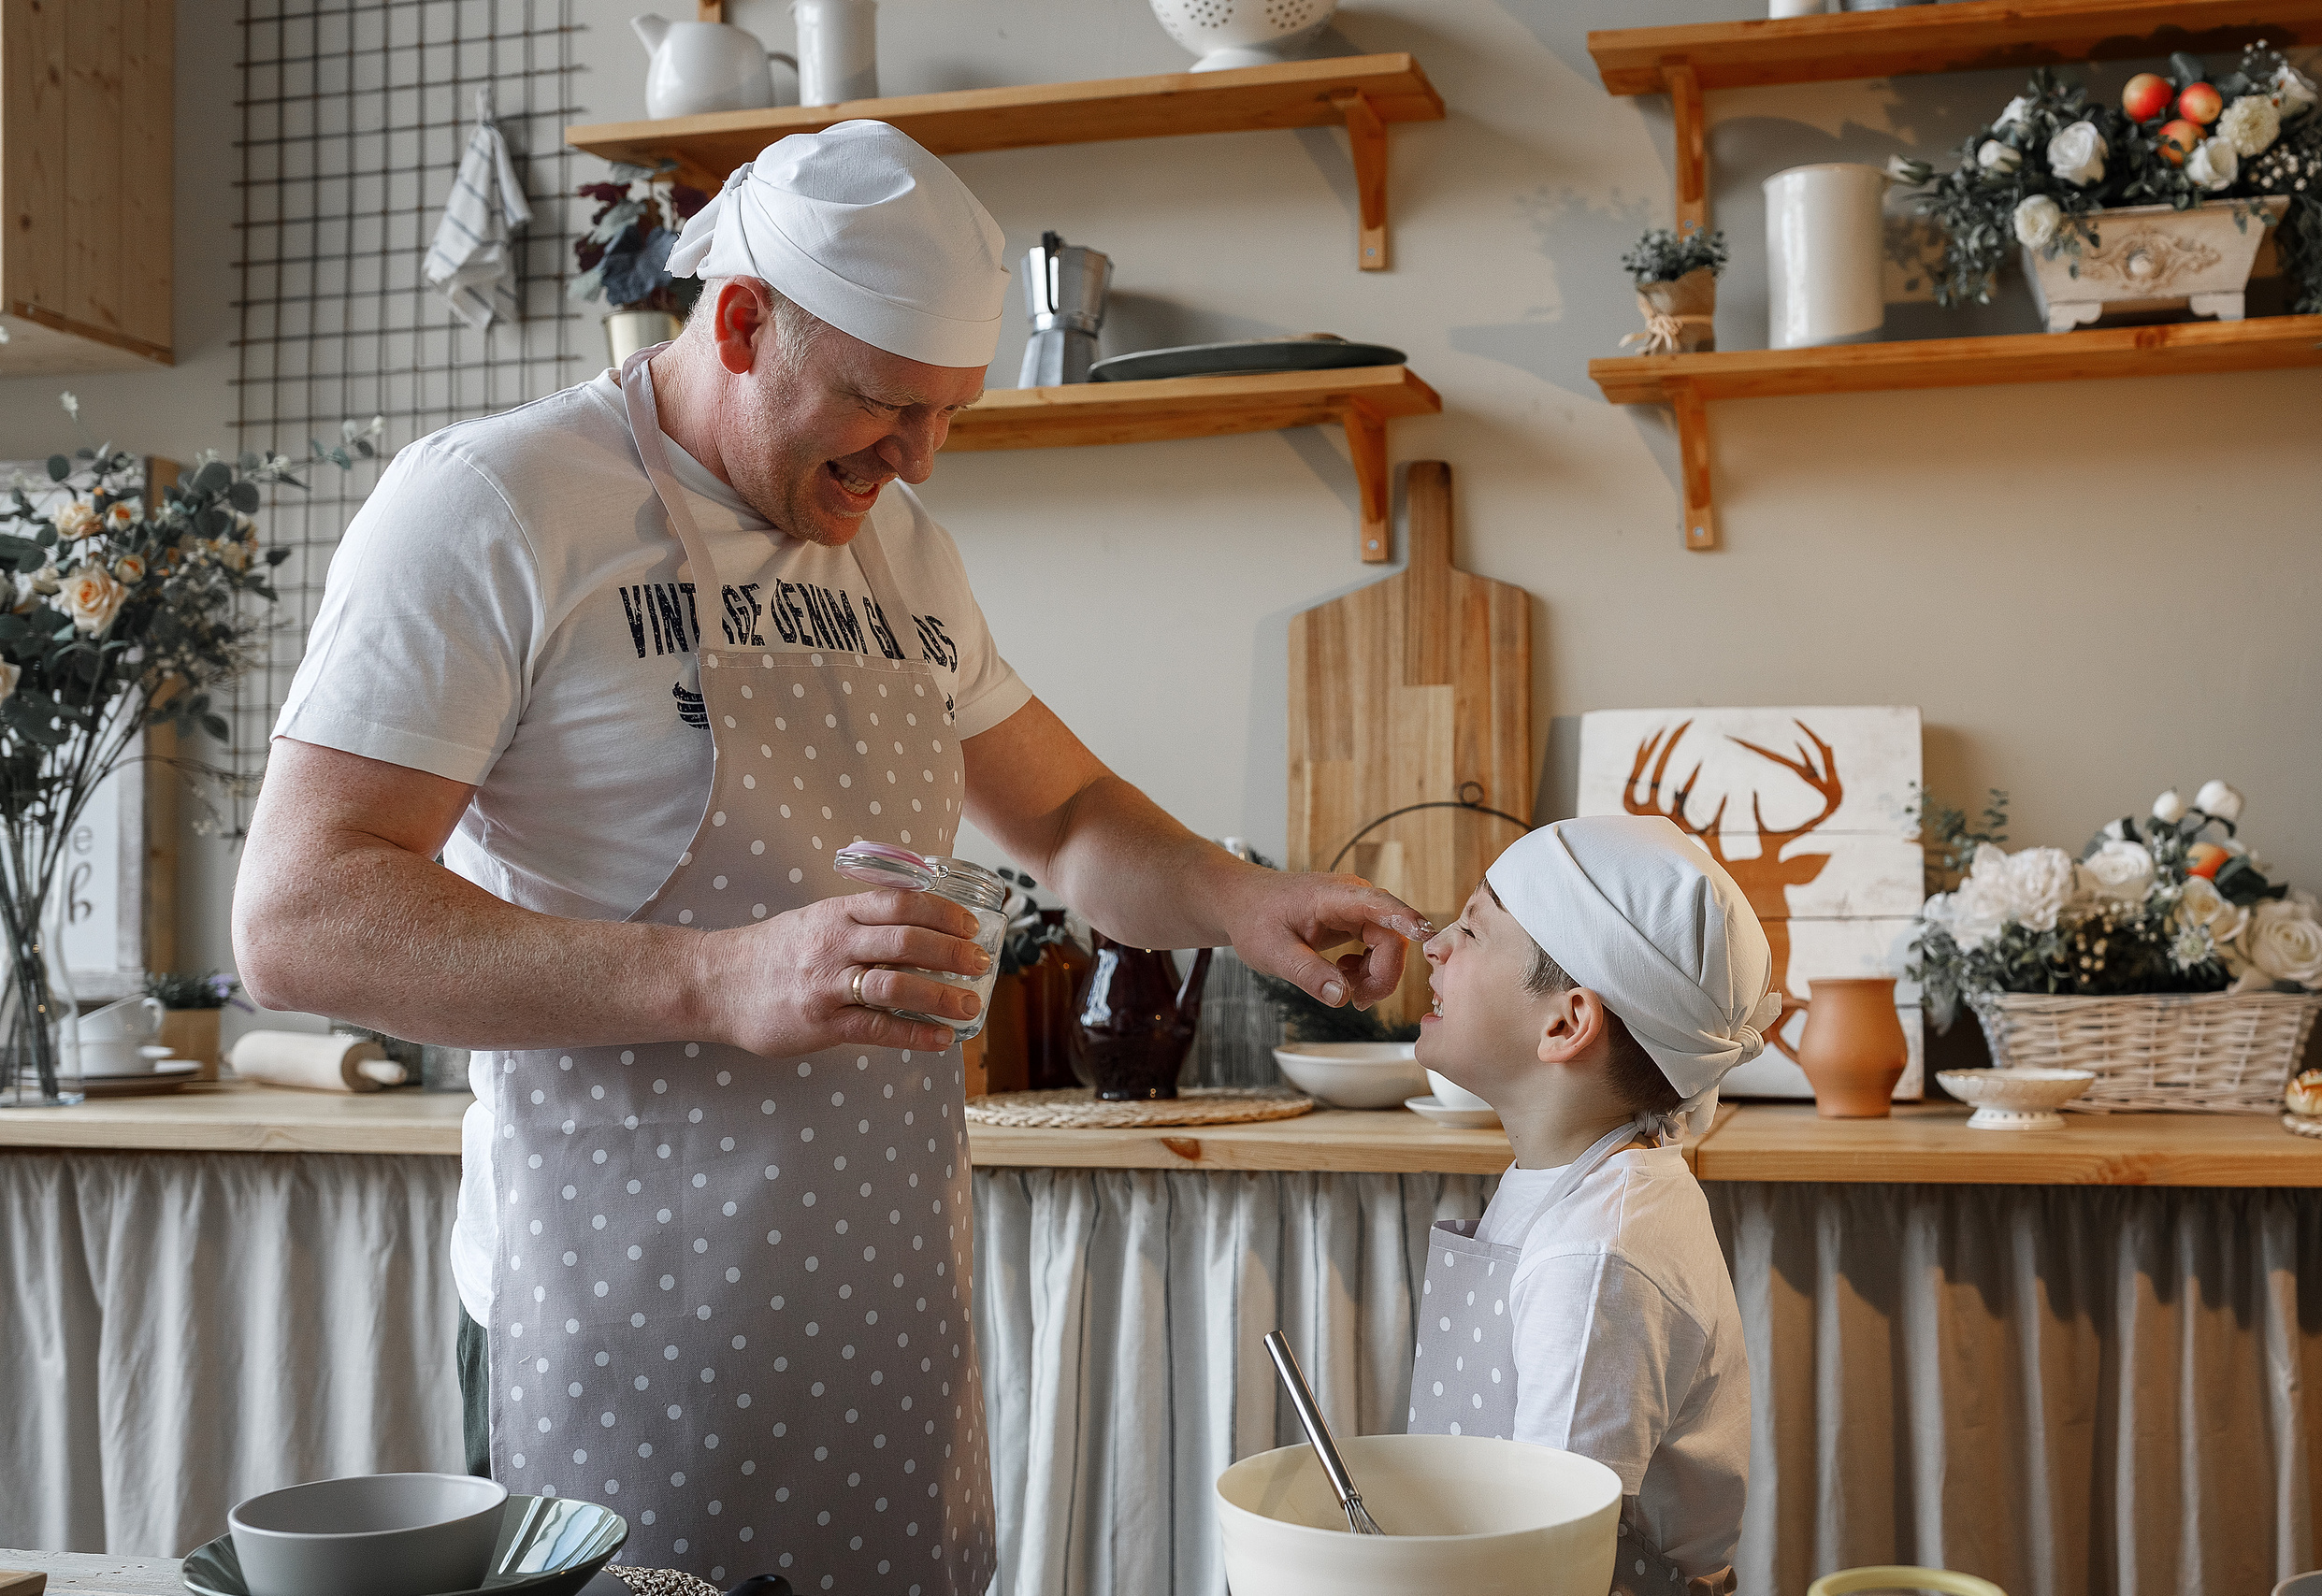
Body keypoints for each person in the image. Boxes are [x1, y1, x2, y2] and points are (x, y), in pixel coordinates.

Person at [230, 121, 1430, 1592]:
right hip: (617, 1301)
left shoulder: (902, 547)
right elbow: (300, 914)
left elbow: (1064, 818)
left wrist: (1252, 901)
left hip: (881, 1299)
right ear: (739, 320)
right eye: (884, 403)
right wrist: (713, 976)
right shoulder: (495, 505)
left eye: (951, 415)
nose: (919, 455)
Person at [1408, 815, 1776, 1596]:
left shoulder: (1598, 1257)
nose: (1435, 943)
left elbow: (1552, 1558)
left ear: (1567, 1022)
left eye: (1473, 929)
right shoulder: (1576, 1184)